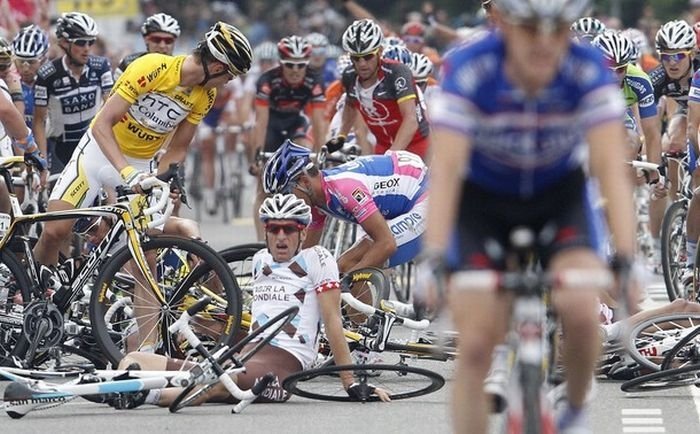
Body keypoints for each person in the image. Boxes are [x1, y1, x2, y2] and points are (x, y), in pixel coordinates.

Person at [418, 1, 637, 433]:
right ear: (505, 27)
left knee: (580, 308)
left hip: (558, 198)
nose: (544, 43)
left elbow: (610, 168)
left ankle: (574, 404)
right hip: (483, 204)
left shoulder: (587, 69)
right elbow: (444, 171)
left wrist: (628, 256)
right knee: (477, 347)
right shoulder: (469, 68)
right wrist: (435, 255)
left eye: (558, 30)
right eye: (530, 29)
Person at [98, 194, 389, 408]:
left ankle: (142, 394)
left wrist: (350, 383)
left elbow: (333, 321)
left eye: (289, 229)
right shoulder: (260, 259)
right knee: (132, 360)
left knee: (215, 384)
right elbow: (255, 323)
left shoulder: (317, 258)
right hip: (243, 355)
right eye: (274, 229)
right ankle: (120, 384)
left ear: (302, 232)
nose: (281, 236)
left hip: (285, 366)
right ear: (265, 231)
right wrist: (206, 326)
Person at [33, 21, 252, 285]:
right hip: (99, 151)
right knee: (55, 232)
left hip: (141, 164)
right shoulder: (152, 67)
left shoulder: (205, 96)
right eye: (229, 76)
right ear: (216, 67)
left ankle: (144, 327)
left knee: (145, 259)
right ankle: (29, 295)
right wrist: (126, 174)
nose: (228, 84)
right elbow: (102, 124)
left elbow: (178, 148)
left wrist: (162, 180)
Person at [263, 139, 427, 273]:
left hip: (425, 197)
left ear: (305, 182)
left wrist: (343, 283)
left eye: (285, 193)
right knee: (343, 268)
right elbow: (306, 254)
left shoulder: (346, 189)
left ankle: (368, 313)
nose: (284, 201)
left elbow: (386, 244)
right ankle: (366, 310)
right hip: (404, 197)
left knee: (348, 265)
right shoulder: (316, 200)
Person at [250, 35, 327, 238]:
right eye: (290, 65)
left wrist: (320, 153)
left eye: (301, 65)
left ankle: (300, 228)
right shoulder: (267, 80)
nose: (295, 70)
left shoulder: (314, 80)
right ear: (281, 63)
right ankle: (260, 243)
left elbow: (319, 121)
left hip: (295, 124)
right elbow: (261, 121)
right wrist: (257, 155)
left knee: (305, 157)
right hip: (271, 127)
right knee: (263, 187)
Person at [328, 19, 430, 160]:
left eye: (368, 56)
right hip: (383, 147)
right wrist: (341, 136)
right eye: (356, 58)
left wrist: (392, 155)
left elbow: (411, 120)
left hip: (416, 145)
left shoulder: (397, 72)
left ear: (380, 52)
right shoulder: (349, 75)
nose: (362, 64)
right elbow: (350, 106)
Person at [33, 12, 113, 176]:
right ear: (63, 42)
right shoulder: (47, 75)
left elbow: (112, 109)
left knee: (108, 194)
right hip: (59, 150)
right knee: (58, 197)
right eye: (81, 42)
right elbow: (39, 121)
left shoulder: (101, 67)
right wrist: (41, 162)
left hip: (92, 144)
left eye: (91, 42)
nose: (87, 49)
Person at [114, 13, 181, 81]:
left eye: (168, 40)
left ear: (174, 41)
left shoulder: (183, 68)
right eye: (156, 39)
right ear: (146, 39)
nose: (162, 45)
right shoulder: (128, 63)